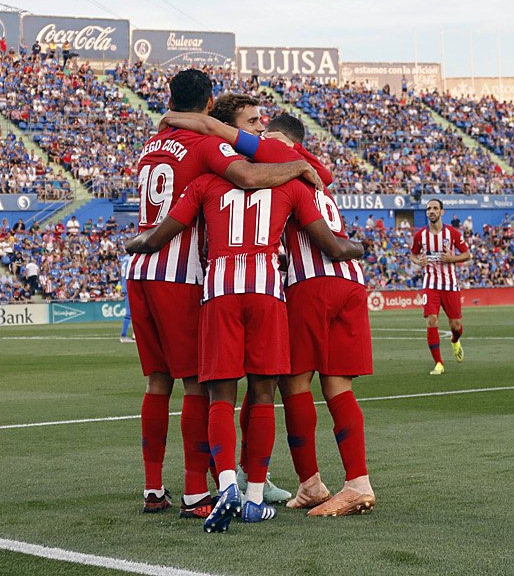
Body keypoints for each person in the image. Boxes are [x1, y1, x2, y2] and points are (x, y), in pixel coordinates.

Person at [125, 69, 320, 518]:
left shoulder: (151, 145)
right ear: (210, 104)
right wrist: (298, 166)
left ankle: (154, 487)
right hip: (182, 272)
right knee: (199, 383)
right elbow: (248, 177)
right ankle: (198, 492)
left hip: (141, 267)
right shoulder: (208, 146)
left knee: (158, 382)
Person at [125, 165, 363, 532]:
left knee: (220, 396)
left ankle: (225, 486)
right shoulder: (289, 186)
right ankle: (254, 498)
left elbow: (162, 234)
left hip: (219, 290)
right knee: (264, 394)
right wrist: (360, 246)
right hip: (267, 291)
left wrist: (135, 244)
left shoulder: (203, 182)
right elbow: (330, 243)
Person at [261, 116, 378, 517]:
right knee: (338, 386)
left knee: (294, 383)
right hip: (349, 283)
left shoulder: (281, 168)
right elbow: (321, 168)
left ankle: (310, 483)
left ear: (278, 141)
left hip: (311, 283)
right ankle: (357, 482)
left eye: (266, 135)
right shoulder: (316, 174)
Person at [410, 199, 472, 375]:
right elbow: (413, 255)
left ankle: (455, 340)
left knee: (456, 325)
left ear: (441, 212)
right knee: (431, 320)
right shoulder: (420, 235)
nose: (432, 211)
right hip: (430, 285)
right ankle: (438, 362)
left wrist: (452, 259)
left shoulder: (452, 233)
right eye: (429, 208)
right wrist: (418, 261)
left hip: (451, 285)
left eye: (435, 208)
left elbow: (467, 254)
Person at [119, 253, 134, 343]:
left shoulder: (124, 259)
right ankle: (123, 336)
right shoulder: (130, 259)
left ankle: (134, 335)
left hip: (124, 286)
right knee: (129, 314)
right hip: (129, 287)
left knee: (134, 313)